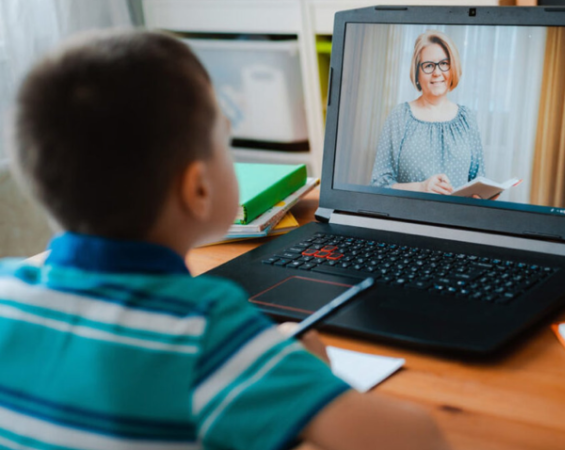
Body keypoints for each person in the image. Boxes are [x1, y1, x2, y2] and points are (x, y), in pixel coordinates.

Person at [0, 30, 450, 450]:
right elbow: (419, 439)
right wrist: (306, 374)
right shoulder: (208, 336)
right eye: (224, 142)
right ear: (197, 189)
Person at [371, 30, 486, 196]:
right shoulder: (399, 116)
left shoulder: (467, 118)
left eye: (444, 63)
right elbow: (378, 184)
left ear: (453, 68)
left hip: (456, 220)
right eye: (428, 66)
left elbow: (478, 180)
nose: (437, 73)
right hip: (409, 219)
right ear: (417, 72)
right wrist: (421, 187)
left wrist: (483, 196)